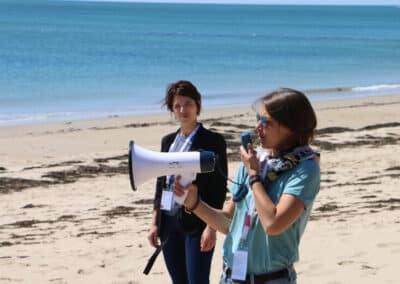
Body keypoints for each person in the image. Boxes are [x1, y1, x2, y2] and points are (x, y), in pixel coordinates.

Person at [174, 88, 320, 284]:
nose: (258, 127)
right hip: (231, 278)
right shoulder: (256, 160)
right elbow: (229, 223)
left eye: (266, 122)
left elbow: (273, 223)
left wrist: (254, 175)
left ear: (290, 127)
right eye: (258, 119)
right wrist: (194, 203)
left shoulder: (305, 169)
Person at [147, 80, 228, 284]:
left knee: (198, 281)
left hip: (198, 222)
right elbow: (161, 184)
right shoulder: (168, 142)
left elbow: (219, 189)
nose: (183, 110)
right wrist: (154, 223)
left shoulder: (213, 141)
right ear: (172, 109)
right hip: (169, 222)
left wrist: (212, 227)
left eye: (188, 104)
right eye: (177, 106)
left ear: (198, 104)